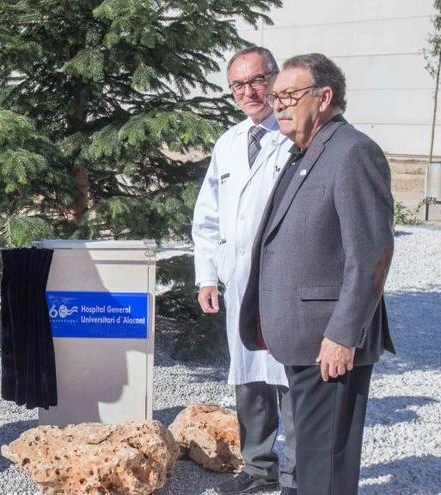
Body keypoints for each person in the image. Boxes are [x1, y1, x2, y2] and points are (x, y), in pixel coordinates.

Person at [239, 53, 395, 495]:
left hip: (327, 341)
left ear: (324, 97)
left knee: (324, 468)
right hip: (303, 340)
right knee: (311, 460)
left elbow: (372, 253)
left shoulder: (352, 152)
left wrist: (344, 334)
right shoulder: (304, 151)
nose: (278, 105)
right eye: (276, 96)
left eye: (289, 95)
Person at [192, 46, 297, 495]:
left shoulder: (297, 137)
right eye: (238, 85)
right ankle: (259, 468)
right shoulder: (229, 141)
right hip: (238, 281)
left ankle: (297, 474)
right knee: (249, 374)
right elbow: (208, 216)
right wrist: (207, 276)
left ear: (275, 80)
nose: (249, 92)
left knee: (291, 376)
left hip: (285, 282)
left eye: (257, 81)